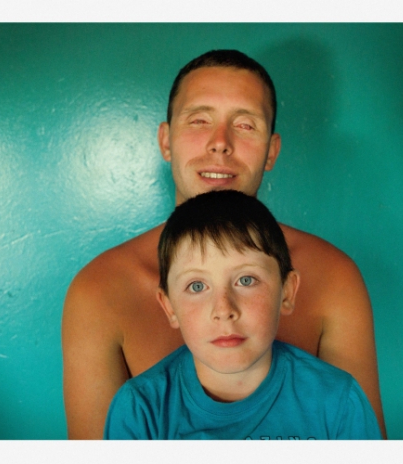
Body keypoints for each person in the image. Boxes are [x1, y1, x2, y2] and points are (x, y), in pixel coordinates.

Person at [62, 49, 386, 439]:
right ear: (166, 141)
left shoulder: (334, 276)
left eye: (245, 125)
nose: (220, 143)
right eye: (199, 120)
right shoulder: (99, 291)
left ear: (272, 151)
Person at [104, 190, 382, 440]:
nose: (224, 310)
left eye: (246, 280)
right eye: (197, 286)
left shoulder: (338, 402)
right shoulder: (139, 410)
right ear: (169, 307)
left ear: (286, 292)